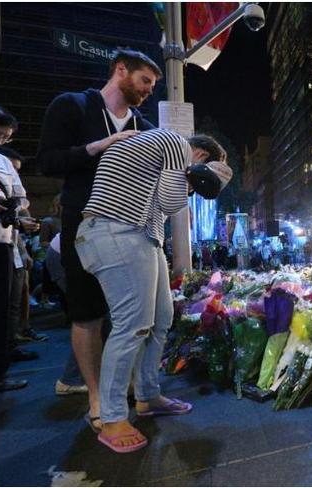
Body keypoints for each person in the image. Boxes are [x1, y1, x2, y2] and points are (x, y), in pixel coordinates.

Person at [75, 129, 231, 452]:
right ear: (200, 157)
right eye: (206, 168)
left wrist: (191, 181)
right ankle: (112, 417)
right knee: (132, 325)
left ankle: (147, 395)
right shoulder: (175, 143)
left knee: (161, 319)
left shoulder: (154, 152)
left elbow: (161, 199)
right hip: (118, 230)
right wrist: (198, 180)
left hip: (141, 235)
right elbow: (174, 201)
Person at [37, 49, 162, 431]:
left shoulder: (143, 125)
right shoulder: (73, 106)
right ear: (120, 70)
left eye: (153, 87)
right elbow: (49, 161)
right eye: (144, 82)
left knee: (139, 315)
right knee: (88, 311)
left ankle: (134, 390)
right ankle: (95, 396)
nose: (147, 93)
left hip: (134, 230)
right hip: (85, 224)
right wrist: (99, 146)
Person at [0, 104, 40, 391]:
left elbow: (20, 196)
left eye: (5, 137)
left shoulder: (3, 162)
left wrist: (20, 214)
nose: (0, 140)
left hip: (2, 241)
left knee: (0, 306)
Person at [45, 233, 89, 396]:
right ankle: (70, 379)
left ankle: (74, 377)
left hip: (73, 252)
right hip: (68, 255)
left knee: (97, 317)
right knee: (92, 316)